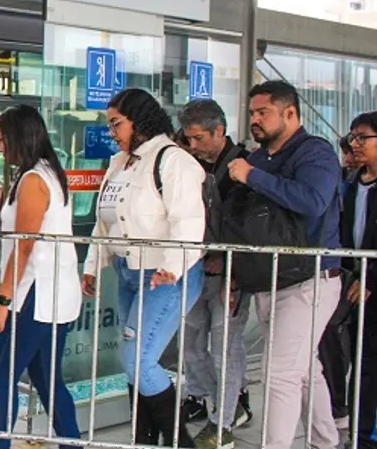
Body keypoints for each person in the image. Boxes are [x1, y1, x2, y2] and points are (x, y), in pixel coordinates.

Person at [82, 88, 207, 447]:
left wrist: (173, 266)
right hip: (127, 271)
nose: (111, 132)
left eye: (116, 123)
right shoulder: (119, 163)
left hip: (163, 275)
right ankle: (145, 437)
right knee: (136, 361)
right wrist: (93, 264)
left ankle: (179, 440)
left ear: (140, 120)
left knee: (137, 359)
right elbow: (104, 223)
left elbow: (188, 220)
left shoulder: (173, 161)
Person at [226, 80, 341, 449]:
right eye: (252, 113)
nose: (255, 120)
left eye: (264, 113)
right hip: (268, 277)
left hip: (310, 278)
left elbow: (312, 200)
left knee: (280, 375)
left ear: (290, 113)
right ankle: (326, 441)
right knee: (305, 370)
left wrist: (253, 177)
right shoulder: (259, 157)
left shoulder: (315, 153)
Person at [0, 105, 82, 449]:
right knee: (46, 378)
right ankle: (72, 443)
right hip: (52, 291)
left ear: (19, 138)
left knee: (1, 373)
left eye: (1, 140)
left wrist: (2, 301)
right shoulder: (47, 173)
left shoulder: (33, 180)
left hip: (36, 293)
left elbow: (25, 247)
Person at [176, 99, 254, 449]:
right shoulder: (190, 163)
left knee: (225, 349)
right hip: (196, 269)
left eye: (199, 139)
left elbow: (249, 224)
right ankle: (229, 403)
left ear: (219, 131)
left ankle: (222, 423)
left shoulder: (245, 167)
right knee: (192, 347)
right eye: (188, 139)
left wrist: (231, 265)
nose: (193, 146)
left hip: (231, 274)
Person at [341, 112, 377, 448]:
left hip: (370, 284)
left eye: (363, 137)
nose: (355, 144)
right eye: (353, 136)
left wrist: (371, 280)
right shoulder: (353, 184)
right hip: (356, 285)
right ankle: (359, 435)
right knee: (361, 364)